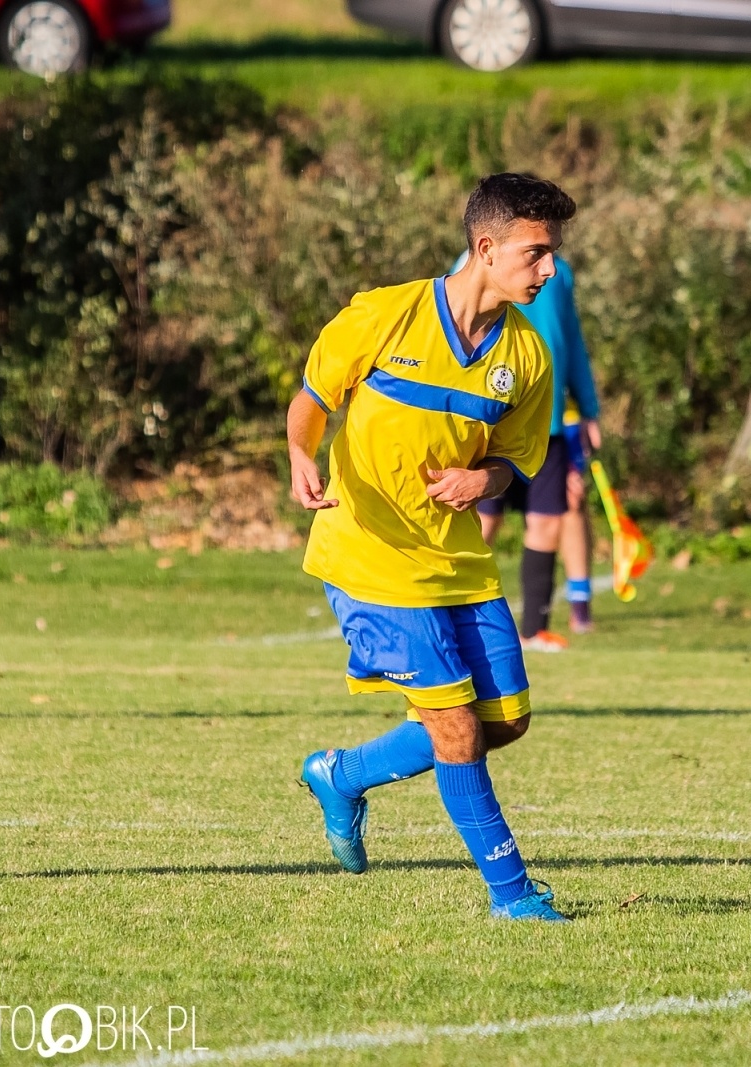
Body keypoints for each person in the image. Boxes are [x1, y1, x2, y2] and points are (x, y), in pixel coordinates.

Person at [285, 173, 573, 921]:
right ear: (485, 246)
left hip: (455, 560)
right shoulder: (385, 314)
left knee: (503, 720)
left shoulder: (528, 358)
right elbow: (312, 400)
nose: (551, 269)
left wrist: (485, 479)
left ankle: (342, 775)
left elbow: (514, 459)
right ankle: (513, 895)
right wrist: (301, 455)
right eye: (536, 253)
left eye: (554, 254)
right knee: (454, 726)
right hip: (369, 554)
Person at [474, 254, 603, 652]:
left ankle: (534, 628)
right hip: (495, 421)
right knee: (481, 523)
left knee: (547, 521)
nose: (543, 261)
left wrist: (588, 407)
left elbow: (570, 339)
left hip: (547, 425)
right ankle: (441, 608)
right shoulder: (473, 264)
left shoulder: (559, 273)